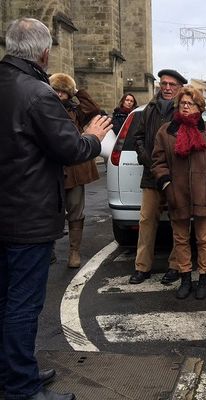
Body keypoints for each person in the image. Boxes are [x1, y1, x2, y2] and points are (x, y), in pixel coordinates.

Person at [0, 17, 111, 400]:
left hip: (7, 211)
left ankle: (13, 371)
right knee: (23, 305)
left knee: (5, 300)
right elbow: (71, 150)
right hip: (27, 216)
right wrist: (93, 137)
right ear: (45, 53)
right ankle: (21, 386)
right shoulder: (37, 92)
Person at [152, 86, 206, 300]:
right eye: (183, 103)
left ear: (199, 107)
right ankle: (185, 278)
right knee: (180, 239)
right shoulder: (166, 131)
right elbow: (158, 161)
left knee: (203, 239)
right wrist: (167, 184)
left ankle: (203, 277)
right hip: (176, 194)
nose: (186, 107)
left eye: (191, 103)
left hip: (202, 193)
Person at [129, 69, 186, 285]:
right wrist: (147, 159)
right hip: (152, 174)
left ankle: (175, 266)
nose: (167, 88)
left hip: (175, 176)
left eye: (172, 84)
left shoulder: (184, 108)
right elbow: (138, 138)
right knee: (146, 220)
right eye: (164, 84)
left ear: (180, 87)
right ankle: (142, 267)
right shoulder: (149, 109)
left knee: (178, 221)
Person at [49, 72, 102, 269]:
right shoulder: (44, 107)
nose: (60, 94)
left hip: (73, 169)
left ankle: (74, 251)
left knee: (75, 210)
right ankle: (49, 250)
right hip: (50, 168)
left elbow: (93, 108)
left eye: (64, 91)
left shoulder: (75, 110)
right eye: (56, 90)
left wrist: (76, 90)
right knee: (51, 210)